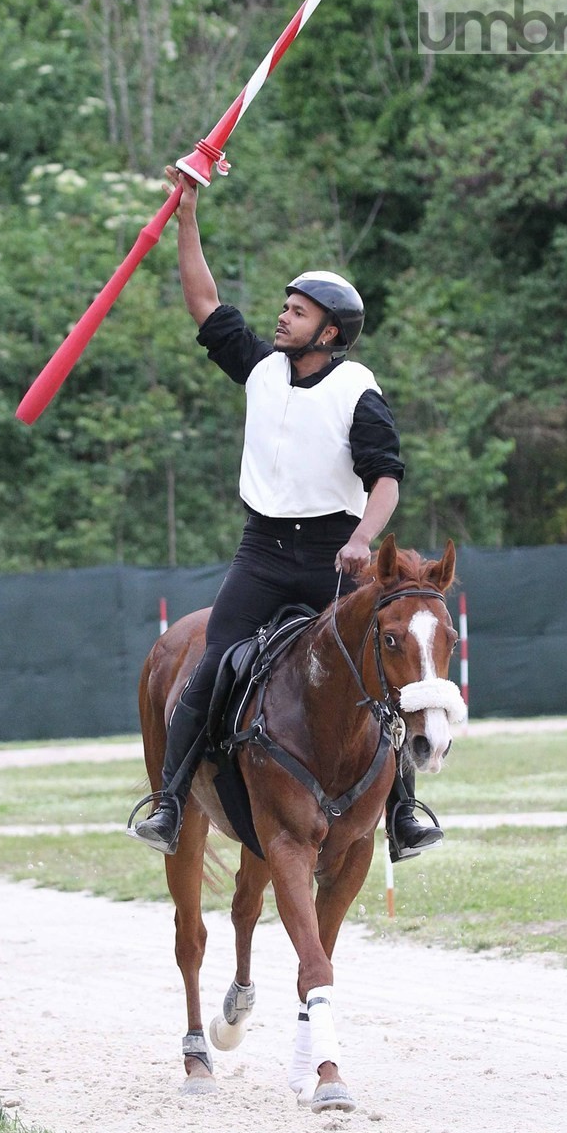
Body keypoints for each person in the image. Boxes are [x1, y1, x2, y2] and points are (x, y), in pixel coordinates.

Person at [130, 167, 443, 862]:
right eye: (285, 305)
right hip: (263, 555)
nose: (282, 316)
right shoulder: (261, 367)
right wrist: (185, 215)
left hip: (339, 555)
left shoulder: (357, 390)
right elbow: (204, 300)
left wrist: (364, 538)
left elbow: (385, 479)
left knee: (378, 682)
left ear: (329, 330)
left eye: (297, 311)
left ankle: (404, 812)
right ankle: (172, 802)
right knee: (212, 667)